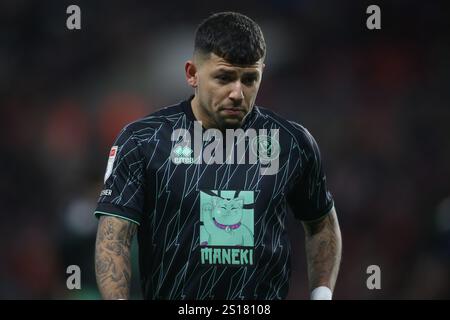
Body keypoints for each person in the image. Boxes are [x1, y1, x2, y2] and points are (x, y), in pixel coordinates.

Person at [94, 11, 342, 300]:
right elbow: (114, 237)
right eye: (224, 77)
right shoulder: (144, 141)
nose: (237, 93)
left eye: (249, 79)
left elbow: (321, 224)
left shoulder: (292, 143)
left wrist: (322, 296)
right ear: (192, 74)